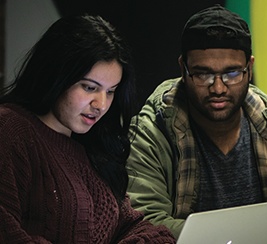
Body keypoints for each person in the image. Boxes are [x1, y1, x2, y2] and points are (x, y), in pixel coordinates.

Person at [125, 4, 267, 242]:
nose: (218, 88)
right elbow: (145, 224)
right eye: (203, 74)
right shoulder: (152, 132)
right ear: (183, 68)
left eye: (232, 73)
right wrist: (254, 238)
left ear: (249, 68)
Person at [0, 14, 176, 243]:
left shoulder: (91, 146)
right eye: (90, 87)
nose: (101, 105)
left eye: (110, 91)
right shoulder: (10, 130)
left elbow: (134, 226)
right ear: (57, 74)